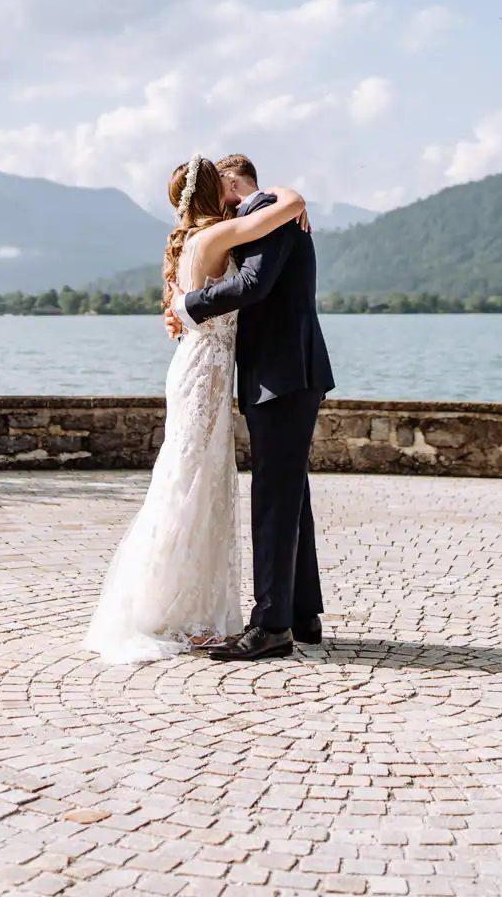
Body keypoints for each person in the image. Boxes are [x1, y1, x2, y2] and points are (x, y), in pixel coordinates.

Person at [82, 152, 311, 664]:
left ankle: (190, 607)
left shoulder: (198, 237)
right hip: (206, 374)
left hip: (201, 368)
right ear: (220, 190)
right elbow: (282, 215)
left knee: (194, 480)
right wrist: (291, 200)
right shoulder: (216, 237)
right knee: (195, 482)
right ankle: (178, 611)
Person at [166, 153, 336, 662]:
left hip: (283, 375)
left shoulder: (271, 213)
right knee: (290, 493)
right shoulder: (273, 212)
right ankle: (303, 613)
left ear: (234, 182)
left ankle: (271, 626)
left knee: (273, 497)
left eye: (222, 183)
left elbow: (254, 286)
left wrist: (188, 306)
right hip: (280, 372)